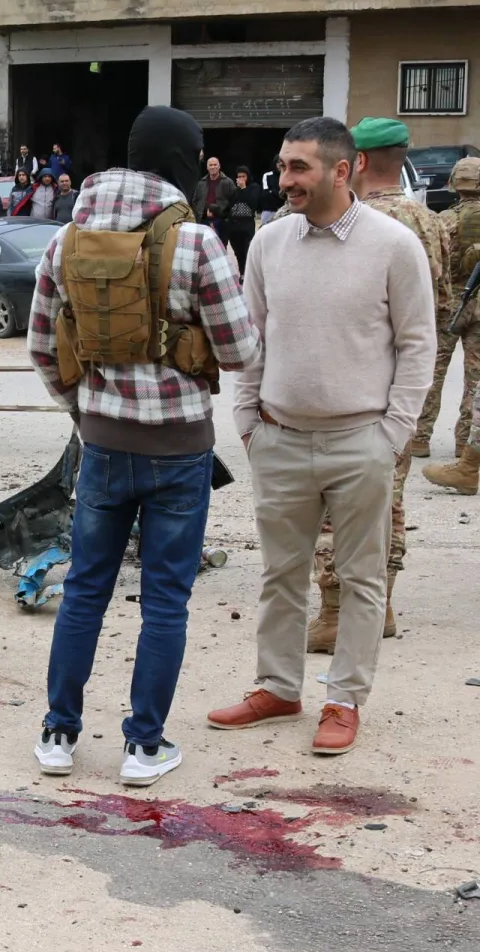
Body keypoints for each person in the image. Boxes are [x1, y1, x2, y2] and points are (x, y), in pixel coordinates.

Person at [28, 105, 259, 788]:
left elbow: (44, 349)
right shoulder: (198, 243)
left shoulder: (66, 238)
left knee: (85, 592)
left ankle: (58, 735)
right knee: (164, 600)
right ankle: (142, 747)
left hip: (101, 445)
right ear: (185, 160)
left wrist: (84, 409)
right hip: (181, 449)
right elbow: (242, 350)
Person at [211, 117, 436, 756]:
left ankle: (343, 700)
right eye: (283, 167)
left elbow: (419, 346)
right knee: (281, 574)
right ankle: (278, 687)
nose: (286, 180)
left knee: (361, 577)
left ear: (345, 170)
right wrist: (249, 421)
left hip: (361, 441)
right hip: (279, 439)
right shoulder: (268, 243)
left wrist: (392, 435)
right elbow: (251, 339)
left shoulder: (394, 245)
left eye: (300, 168)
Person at [302, 119, 450, 654]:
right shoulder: (428, 221)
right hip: (410, 382)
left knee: (334, 500)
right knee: (390, 494)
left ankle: (337, 612)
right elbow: (441, 303)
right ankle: (381, 603)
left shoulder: (349, 222)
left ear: (355, 162)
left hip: (354, 386)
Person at [414, 156, 480, 461]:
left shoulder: (444, 220)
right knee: (475, 378)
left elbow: (431, 265)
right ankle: (464, 443)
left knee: (434, 372)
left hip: (449, 306)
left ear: (454, 183)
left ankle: (420, 437)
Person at [224, 166, 261, 275]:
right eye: (239, 177)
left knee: (248, 250)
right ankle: (242, 274)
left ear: (248, 177)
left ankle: (250, 274)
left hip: (247, 224)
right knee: (238, 252)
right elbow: (230, 205)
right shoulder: (235, 191)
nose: (241, 179)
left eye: (243, 176)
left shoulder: (254, 187)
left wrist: (244, 188)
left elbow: (253, 203)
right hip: (234, 225)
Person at [192, 157, 235, 237]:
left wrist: (227, 217)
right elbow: (195, 201)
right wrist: (198, 215)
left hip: (221, 220)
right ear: (207, 167)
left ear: (219, 166)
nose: (212, 167)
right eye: (210, 165)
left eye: (215, 165)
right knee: (202, 247)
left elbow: (234, 201)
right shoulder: (201, 183)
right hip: (203, 220)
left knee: (221, 246)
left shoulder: (228, 182)